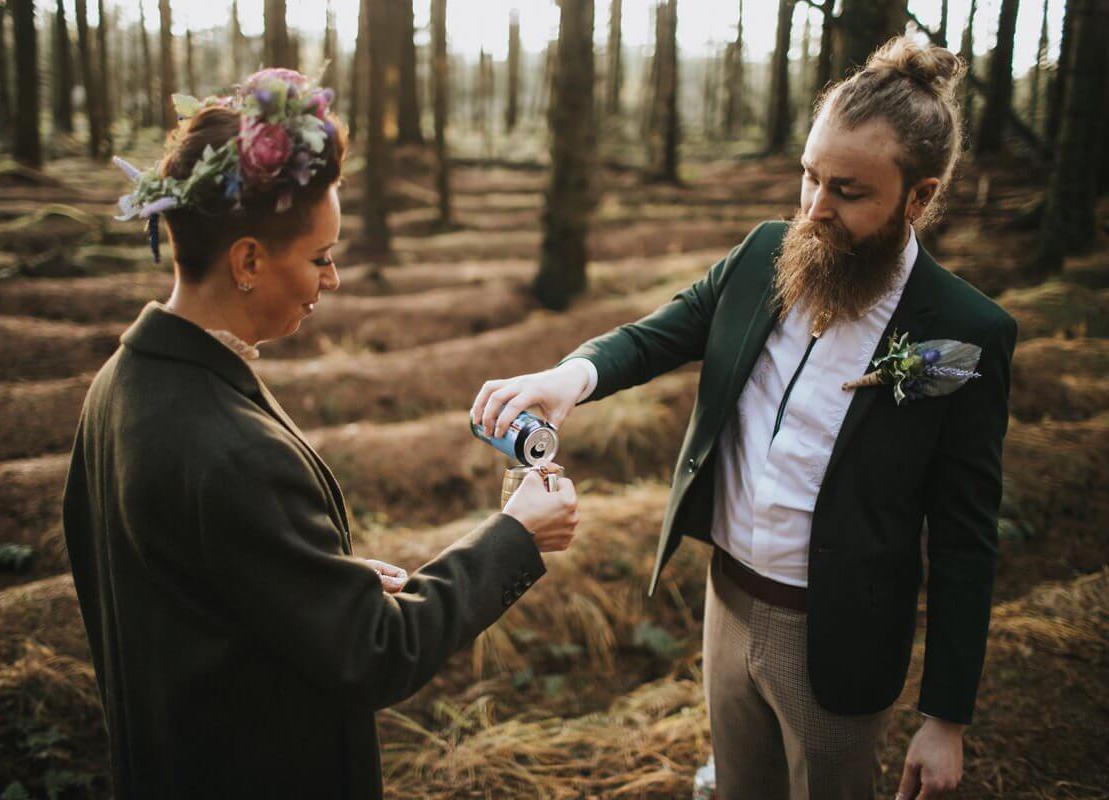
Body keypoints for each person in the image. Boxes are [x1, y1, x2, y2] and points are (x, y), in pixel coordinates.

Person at [472, 39, 1016, 800]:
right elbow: (663, 330)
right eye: (808, 177)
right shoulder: (768, 251)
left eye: (848, 192)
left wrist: (946, 717)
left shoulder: (965, 332)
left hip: (838, 639)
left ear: (918, 197)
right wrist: (569, 379)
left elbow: (966, 538)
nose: (814, 209)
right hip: (724, 601)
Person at [62, 69, 579, 800]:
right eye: (321, 257)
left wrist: (310, 581)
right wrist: (517, 537)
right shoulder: (231, 450)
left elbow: (193, 585)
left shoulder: (121, 384)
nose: (331, 281)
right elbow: (377, 654)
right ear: (247, 261)